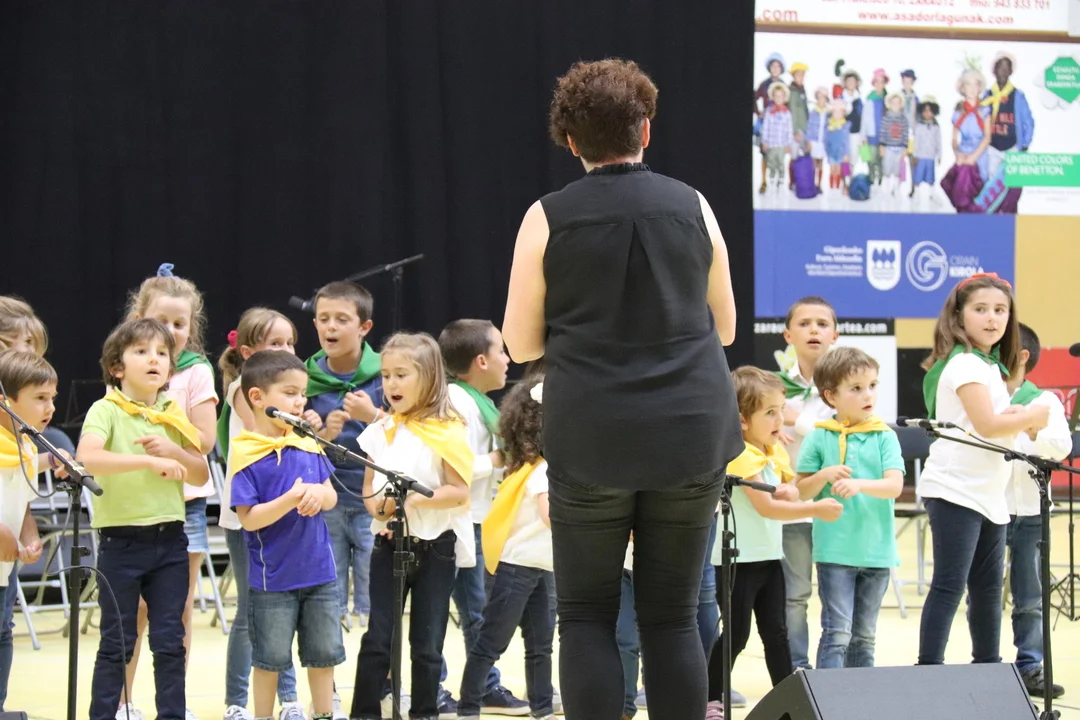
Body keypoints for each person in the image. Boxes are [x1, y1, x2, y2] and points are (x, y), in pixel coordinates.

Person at [503, 58, 743, 720]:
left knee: (586, 615)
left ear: (571, 141)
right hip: (691, 431)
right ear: (646, 130)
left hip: (593, 433)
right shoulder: (693, 204)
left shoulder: (546, 217)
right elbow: (725, 329)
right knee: (673, 615)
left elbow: (519, 345)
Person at [77, 318, 209, 720]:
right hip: (121, 544)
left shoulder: (172, 414)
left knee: (170, 641)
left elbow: (199, 474)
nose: (154, 359)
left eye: (162, 353)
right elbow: (87, 458)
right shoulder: (105, 409)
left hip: (170, 541)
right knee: (116, 642)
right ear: (117, 367)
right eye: (141, 352)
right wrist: (147, 461)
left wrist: (175, 452)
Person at [917, 273, 1048, 666]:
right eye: (981, 309)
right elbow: (988, 425)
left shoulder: (990, 367)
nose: (992, 318)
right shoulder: (964, 364)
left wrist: (1017, 416)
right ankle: (928, 670)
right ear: (959, 316)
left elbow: (991, 422)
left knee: (989, 589)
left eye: (1000, 310)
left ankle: (988, 668)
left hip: (990, 492)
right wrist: (1030, 415)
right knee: (949, 585)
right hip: (955, 489)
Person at [705, 367, 842, 719]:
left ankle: (791, 701)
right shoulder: (741, 455)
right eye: (770, 412)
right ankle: (710, 698)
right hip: (738, 561)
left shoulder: (771, 450)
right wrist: (815, 508)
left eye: (781, 409)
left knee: (777, 634)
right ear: (742, 420)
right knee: (736, 635)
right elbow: (767, 507)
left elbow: (787, 490)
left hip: (769, 557)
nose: (780, 419)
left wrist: (803, 486)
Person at [350, 333, 474, 720]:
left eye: (401, 374)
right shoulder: (382, 430)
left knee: (427, 643)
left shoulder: (449, 430)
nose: (391, 383)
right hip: (389, 547)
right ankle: (364, 713)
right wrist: (380, 510)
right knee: (378, 637)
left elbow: (459, 492)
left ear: (429, 376)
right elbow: (369, 488)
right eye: (386, 375)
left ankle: (424, 712)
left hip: (436, 549)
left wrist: (414, 500)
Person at [229, 350, 345, 720]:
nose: (300, 402)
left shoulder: (307, 442)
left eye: (303, 394)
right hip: (273, 581)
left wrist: (318, 494)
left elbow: (331, 496)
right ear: (257, 397)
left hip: (320, 575)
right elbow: (249, 520)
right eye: (290, 393)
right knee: (270, 660)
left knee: (323, 656)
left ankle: (323, 714)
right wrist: (290, 499)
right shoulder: (247, 453)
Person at [125, 264, 218, 720]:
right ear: (138, 318)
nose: (172, 330)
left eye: (181, 323)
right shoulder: (125, 364)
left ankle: (172, 705)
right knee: (133, 611)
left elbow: (205, 441)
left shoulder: (197, 373)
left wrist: (165, 428)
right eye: (162, 320)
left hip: (185, 507)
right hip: (134, 505)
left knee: (176, 611)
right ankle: (122, 701)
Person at [217, 308, 308, 720]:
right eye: (276, 343)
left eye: (290, 343)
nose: (286, 350)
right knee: (252, 610)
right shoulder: (244, 388)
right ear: (248, 352)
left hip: (282, 511)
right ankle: (237, 701)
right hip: (249, 513)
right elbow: (267, 430)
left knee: (281, 608)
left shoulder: (288, 395)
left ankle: (289, 700)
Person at [437, 319, 528, 715]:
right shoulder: (459, 402)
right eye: (501, 351)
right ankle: (470, 688)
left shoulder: (479, 402)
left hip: (476, 519)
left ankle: (483, 685)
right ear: (481, 361)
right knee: (468, 610)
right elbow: (449, 467)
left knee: (476, 610)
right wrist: (495, 460)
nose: (507, 360)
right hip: (459, 521)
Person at [794, 347, 903, 669]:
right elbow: (800, 491)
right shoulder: (819, 436)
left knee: (864, 637)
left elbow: (894, 486)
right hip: (835, 552)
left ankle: (862, 696)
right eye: (856, 388)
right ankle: (827, 696)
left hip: (877, 552)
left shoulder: (884, 436)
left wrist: (859, 485)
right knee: (837, 632)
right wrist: (824, 475)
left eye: (872, 385)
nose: (867, 394)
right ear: (831, 396)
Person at [458, 375, 554, 720]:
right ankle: (469, 706)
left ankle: (543, 707)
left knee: (541, 644)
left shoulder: (530, 469)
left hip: (541, 566)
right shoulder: (541, 471)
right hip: (516, 568)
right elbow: (552, 517)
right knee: (493, 642)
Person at [304, 281, 384, 631]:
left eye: (341, 319)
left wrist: (375, 416)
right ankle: (330, 666)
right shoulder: (305, 377)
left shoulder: (386, 373)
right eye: (324, 319)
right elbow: (292, 442)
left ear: (364, 327)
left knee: (376, 595)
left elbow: (411, 429)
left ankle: (378, 663)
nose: (331, 327)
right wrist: (322, 435)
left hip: (374, 497)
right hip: (328, 497)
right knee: (329, 593)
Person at [1002, 324, 1069, 698]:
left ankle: (1030, 666)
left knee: (1030, 597)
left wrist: (1028, 425)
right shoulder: (980, 397)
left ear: (1022, 356)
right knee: (981, 593)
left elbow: (1060, 446)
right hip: (988, 507)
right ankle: (986, 664)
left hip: (1030, 509)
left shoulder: (1044, 401)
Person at [777, 296, 839, 671]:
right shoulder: (775, 388)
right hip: (794, 506)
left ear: (835, 335)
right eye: (804, 324)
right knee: (795, 594)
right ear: (788, 335)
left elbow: (840, 437)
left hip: (838, 506)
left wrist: (796, 420)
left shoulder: (850, 384)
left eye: (822, 324)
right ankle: (796, 668)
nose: (813, 330)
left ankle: (834, 669)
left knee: (837, 595)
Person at [0, 350, 50, 711]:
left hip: (4, 568)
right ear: (6, 402)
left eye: (52, 398)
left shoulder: (27, 448)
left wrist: (29, 536)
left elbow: (23, 505)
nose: (50, 407)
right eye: (40, 398)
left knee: (3, 633)